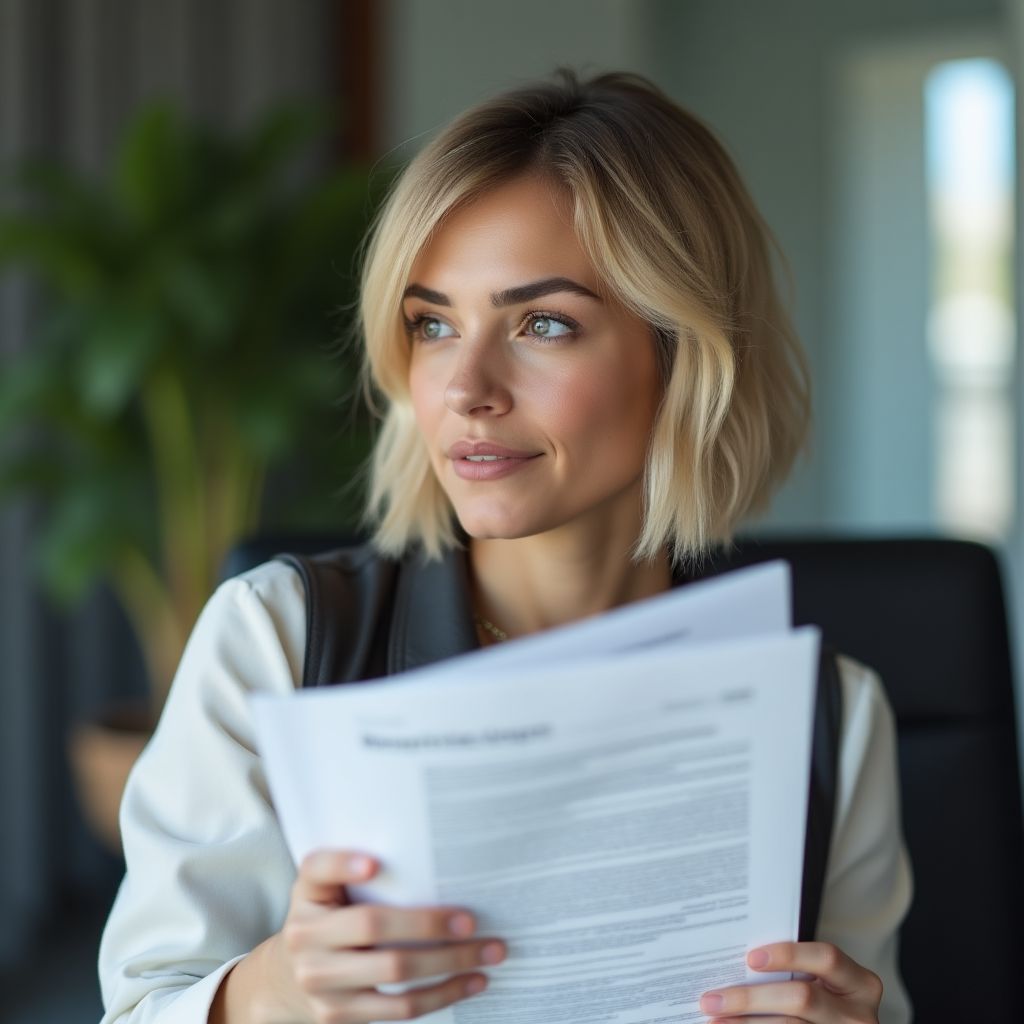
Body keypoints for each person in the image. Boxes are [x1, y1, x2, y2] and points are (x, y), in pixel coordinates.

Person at [99, 70, 912, 1024]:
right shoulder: (273, 640)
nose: (465, 387)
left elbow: (872, 1002)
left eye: (543, 324)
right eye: (434, 324)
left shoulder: (833, 718)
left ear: (681, 353)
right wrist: (274, 992)